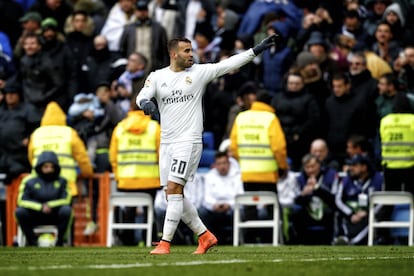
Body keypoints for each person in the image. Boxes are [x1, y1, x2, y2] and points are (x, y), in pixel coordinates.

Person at [136, 34, 278, 254]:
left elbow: (228, 64)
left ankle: (165, 242)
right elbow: (142, 95)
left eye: (192, 50)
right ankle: (205, 236)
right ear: (174, 54)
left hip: (189, 141)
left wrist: (255, 50)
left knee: (174, 190)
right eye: (186, 51)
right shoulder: (157, 76)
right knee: (171, 195)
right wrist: (145, 103)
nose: (191, 54)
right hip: (167, 143)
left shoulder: (199, 73)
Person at [229, 90, 288, 243]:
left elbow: (233, 147)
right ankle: (269, 238)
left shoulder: (241, 118)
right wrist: (282, 167)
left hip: (248, 172)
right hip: (268, 173)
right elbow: (278, 147)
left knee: (250, 207)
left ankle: (249, 239)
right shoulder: (271, 118)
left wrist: (244, 161)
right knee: (271, 207)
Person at [109, 99, 161, 245]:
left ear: (130, 109)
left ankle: (127, 240)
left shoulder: (120, 128)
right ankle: (150, 240)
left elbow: (113, 156)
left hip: (126, 180)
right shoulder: (154, 128)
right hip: (150, 180)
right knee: (149, 211)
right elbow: (161, 154)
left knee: (129, 210)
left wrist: (119, 176)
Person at [28, 101, 94, 198]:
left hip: (40, 185)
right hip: (66, 185)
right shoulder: (69, 133)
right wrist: (88, 173)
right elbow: (82, 157)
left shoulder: (36, 134)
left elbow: (31, 157)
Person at [15, 151, 72, 246]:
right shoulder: (29, 181)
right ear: (40, 166)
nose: (49, 169)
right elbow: (22, 200)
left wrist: (50, 205)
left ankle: (60, 241)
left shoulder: (62, 181)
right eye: (46, 166)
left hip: (54, 214)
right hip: (35, 215)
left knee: (67, 210)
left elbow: (66, 199)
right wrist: (40, 207)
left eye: (52, 167)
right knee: (20, 212)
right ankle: (32, 241)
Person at [333, 154, 383, 245]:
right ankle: (341, 237)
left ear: (364, 167)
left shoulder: (379, 179)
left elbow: (383, 201)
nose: (351, 168)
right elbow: (338, 200)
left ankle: (351, 241)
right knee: (337, 214)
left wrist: (368, 212)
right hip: (351, 214)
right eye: (350, 165)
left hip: (369, 214)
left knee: (374, 218)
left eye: (354, 165)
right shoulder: (346, 180)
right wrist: (350, 214)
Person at [198, 151, 244, 245]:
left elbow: (241, 196)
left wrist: (229, 205)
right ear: (215, 165)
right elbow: (206, 198)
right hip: (215, 209)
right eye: (219, 164)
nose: (222, 166)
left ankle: (237, 240)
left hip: (232, 209)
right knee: (202, 212)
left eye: (224, 163)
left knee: (242, 212)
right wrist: (214, 205)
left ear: (229, 163)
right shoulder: (209, 176)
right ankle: (210, 241)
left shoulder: (238, 175)